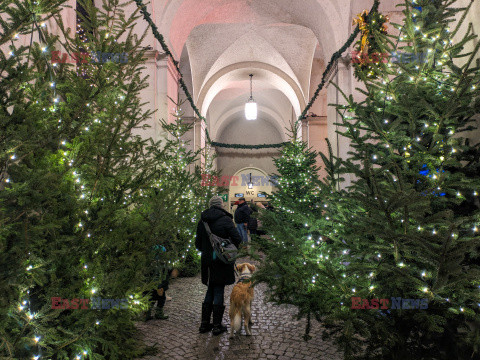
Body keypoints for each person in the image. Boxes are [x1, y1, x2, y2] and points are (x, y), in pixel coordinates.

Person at [195, 196, 242, 335]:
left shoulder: (202, 221)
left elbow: (198, 244)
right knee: (219, 289)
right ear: (221, 206)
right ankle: (216, 325)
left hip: (207, 261)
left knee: (210, 288)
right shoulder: (226, 220)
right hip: (221, 261)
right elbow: (237, 239)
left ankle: (204, 324)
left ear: (210, 205)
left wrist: (207, 250)